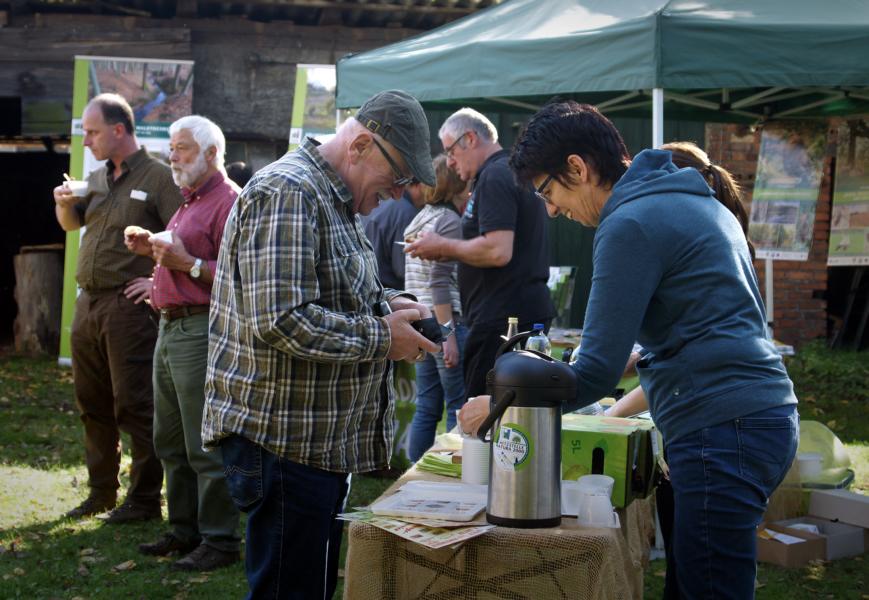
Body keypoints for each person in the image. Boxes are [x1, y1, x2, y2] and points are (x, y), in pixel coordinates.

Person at [461, 101, 799, 600]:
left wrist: (502, 405)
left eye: (550, 192)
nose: (552, 210)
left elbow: (593, 373)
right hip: (756, 418)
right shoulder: (685, 198)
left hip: (722, 427)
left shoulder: (630, 222)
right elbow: (686, 331)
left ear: (578, 168)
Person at [202, 89, 441, 600]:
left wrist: (391, 306)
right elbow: (283, 319)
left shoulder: (335, 198)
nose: (399, 194)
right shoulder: (289, 192)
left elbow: (341, 291)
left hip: (316, 444)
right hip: (283, 444)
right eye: (397, 178)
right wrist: (384, 337)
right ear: (359, 146)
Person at [602, 140, 756, 599]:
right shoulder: (711, 230)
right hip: (710, 426)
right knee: (692, 578)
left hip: (718, 426)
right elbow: (679, 345)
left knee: (705, 583)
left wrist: (607, 413)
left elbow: (694, 354)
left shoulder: (663, 228)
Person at [53, 93, 183, 522]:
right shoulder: (97, 177)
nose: (86, 140)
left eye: (92, 132)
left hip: (128, 307)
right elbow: (74, 224)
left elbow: (183, 239)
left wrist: (156, 280)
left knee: (135, 404)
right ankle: (101, 493)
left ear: (119, 130)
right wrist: (62, 203)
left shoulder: (160, 177)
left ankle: (145, 499)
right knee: (92, 402)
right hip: (88, 303)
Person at [124, 115, 241, 571]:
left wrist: (188, 263)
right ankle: (185, 529)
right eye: (172, 147)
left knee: (203, 440)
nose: (173, 156)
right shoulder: (188, 200)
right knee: (168, 439)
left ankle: (220, 540)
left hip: (200, 328)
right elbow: (184, 256)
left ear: (212, 154)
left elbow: (237, 277)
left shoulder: (229, 202)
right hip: (171, 328)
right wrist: (152, 247)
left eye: (184, 148)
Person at [407, 107, 555, 397]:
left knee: (482, 418)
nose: (449, 162)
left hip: (502, 318)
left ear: (470, 138)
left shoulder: (496, 175)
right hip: (511, 313)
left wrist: (441, 245)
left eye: (450, 151)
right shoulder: (509, 171)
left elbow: (498, 251)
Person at [405, 154, 469, 461]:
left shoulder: (420, 219)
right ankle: (454, 472)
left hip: (421, 322)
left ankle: (412, 475)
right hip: (444, 321)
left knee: (427, 404)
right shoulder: (449, 222)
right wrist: (450, 335)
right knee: (458, 404)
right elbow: (439, 282)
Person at [363, 180, 425, 289]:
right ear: (419, 185)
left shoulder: (381, 201)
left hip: (368, 285)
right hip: (389, 293)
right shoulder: (406, 213)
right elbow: (404, 269)